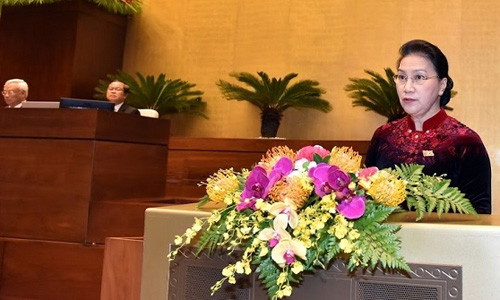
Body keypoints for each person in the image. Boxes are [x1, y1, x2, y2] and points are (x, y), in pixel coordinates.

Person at [365, 39, 491, 214]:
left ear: (442, 85)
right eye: (402, 77)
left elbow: (479, 216)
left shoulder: (466, 142)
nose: (407, 87)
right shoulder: (383, 135)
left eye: (419, 77)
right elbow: (365, 201)